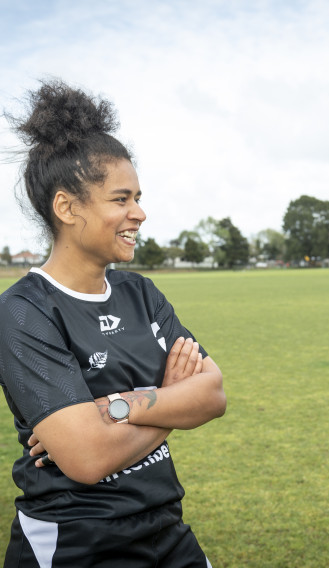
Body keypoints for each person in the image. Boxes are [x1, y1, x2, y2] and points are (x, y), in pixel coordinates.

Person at [0, 80, 226, 567]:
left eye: (138, 197)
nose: (139, 213)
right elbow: (87, 459)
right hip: (76, 539)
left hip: (166, 524)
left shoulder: (140, 292)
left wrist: (118, 407)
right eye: (121, 199)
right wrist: (169, 397)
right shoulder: (23, 311)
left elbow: (213, 395)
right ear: (67, 207)